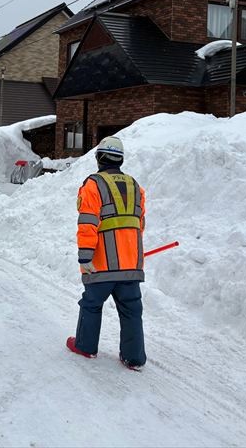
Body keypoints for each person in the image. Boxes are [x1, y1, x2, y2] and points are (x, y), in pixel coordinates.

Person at [66, 135, 147, 371]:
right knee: (132, 309)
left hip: (101, 263)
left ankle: (85, 346)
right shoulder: (135, 186)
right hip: (131, 264)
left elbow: (88, 223)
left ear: (99, 158)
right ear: (120, 159)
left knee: (91, 304)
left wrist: (85, 256)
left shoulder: (94, 185)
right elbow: (139, 224)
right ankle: (134, 358)